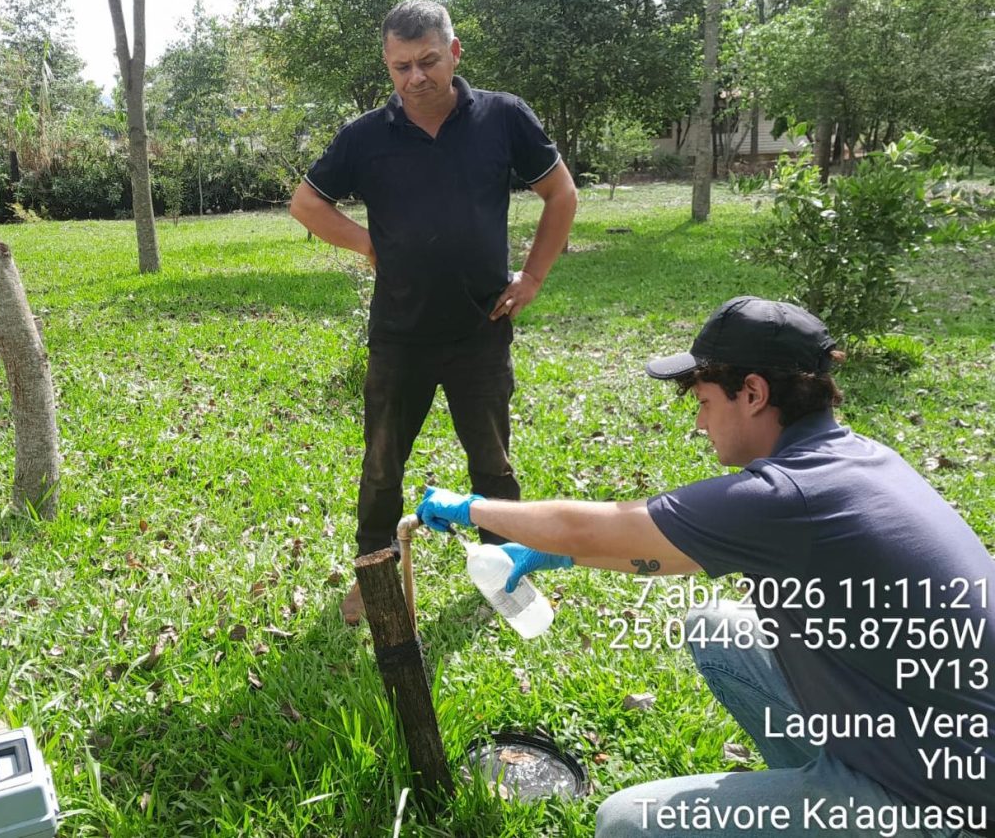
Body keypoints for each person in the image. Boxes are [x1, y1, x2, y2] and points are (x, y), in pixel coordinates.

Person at [416, 296, 994, 838]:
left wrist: (472, 508)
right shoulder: (853, 458)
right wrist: (554, 554)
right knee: (720, 627)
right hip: (929, 739)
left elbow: (595, 524)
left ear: (753, 393)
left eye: (704, 403)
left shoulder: (788, 496)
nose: (699, 423)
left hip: (933, 799)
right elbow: (676, 552)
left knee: (624, 822)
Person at [289, 0, 577, 624]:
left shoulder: (503, 117)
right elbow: (307, 205)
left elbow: (560, 192)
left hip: (482, 329)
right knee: (381, 465)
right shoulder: (366, 136)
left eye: (426, 61)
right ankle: (375, 579)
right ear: (387, 68)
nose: (415, 77)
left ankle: (508, 576)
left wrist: (532, 276)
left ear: (454, 52)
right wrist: (371, 244)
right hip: (400, 335)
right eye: (400, 66)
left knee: (493, 466)